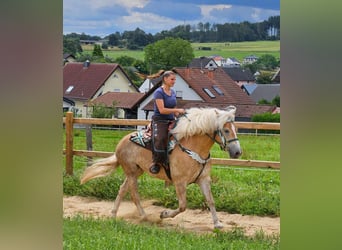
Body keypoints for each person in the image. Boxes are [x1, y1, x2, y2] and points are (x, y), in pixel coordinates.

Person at [149, 71, 185, 174]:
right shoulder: (158, 92)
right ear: (165, 79)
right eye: (172, 79)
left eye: (175, 80)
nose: (174, 81)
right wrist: (177, 111)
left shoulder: (172, 92)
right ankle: (157, 163)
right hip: (160, 120)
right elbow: (162, 110)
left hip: (171, 119)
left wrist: (180, 116)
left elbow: (172, 106)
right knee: (160, 139)